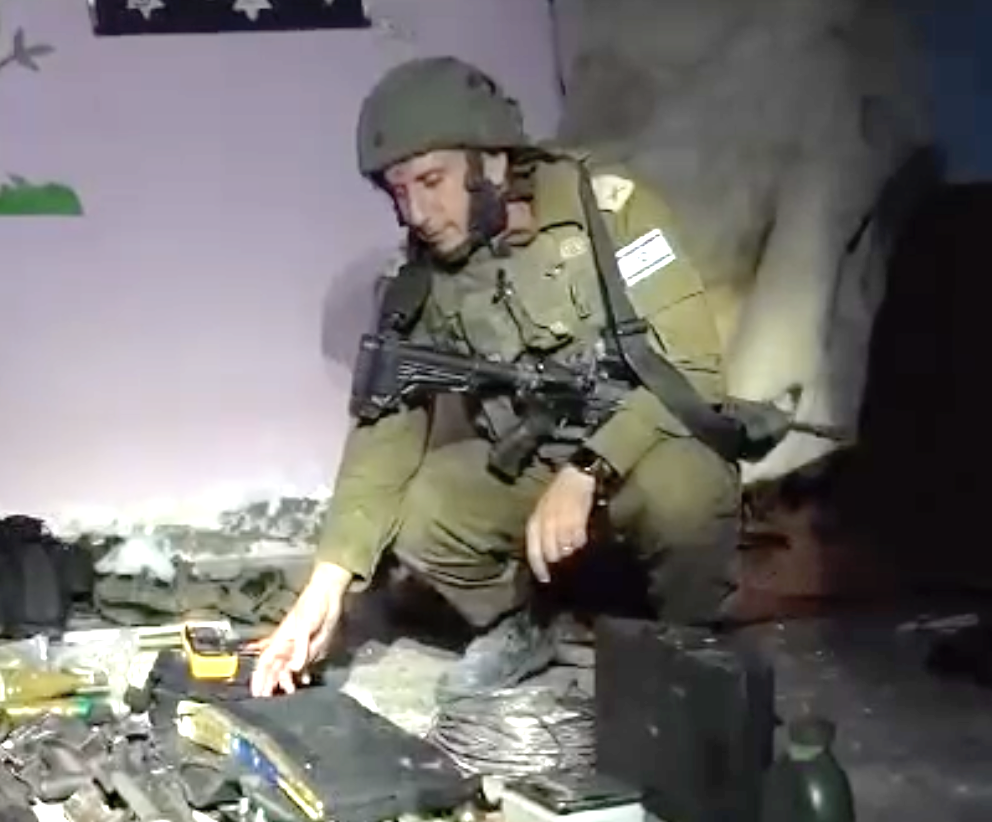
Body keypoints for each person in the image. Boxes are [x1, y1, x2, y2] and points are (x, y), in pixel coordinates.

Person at [251, 56, 743, 699]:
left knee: (688, 489)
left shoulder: (609, 211)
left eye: (431, 181)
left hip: (642, 446)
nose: (417, 212)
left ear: (490, 161)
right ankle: (530, 624)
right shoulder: (421, 278)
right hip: (533, 464)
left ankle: (684, 647)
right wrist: (325, 588)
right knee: (417, 511)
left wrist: (588, 469)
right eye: (399, 192)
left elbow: (695, 368)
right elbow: (384, 429)